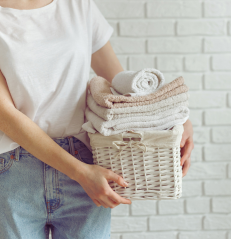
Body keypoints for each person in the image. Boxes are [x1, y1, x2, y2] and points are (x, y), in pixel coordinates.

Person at [0, 0, 194, 238]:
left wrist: (173, 117)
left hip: (84, 159)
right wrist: (80, 172)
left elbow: (120, 84)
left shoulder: (77, 6)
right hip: (15, 171)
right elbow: (6, 116)